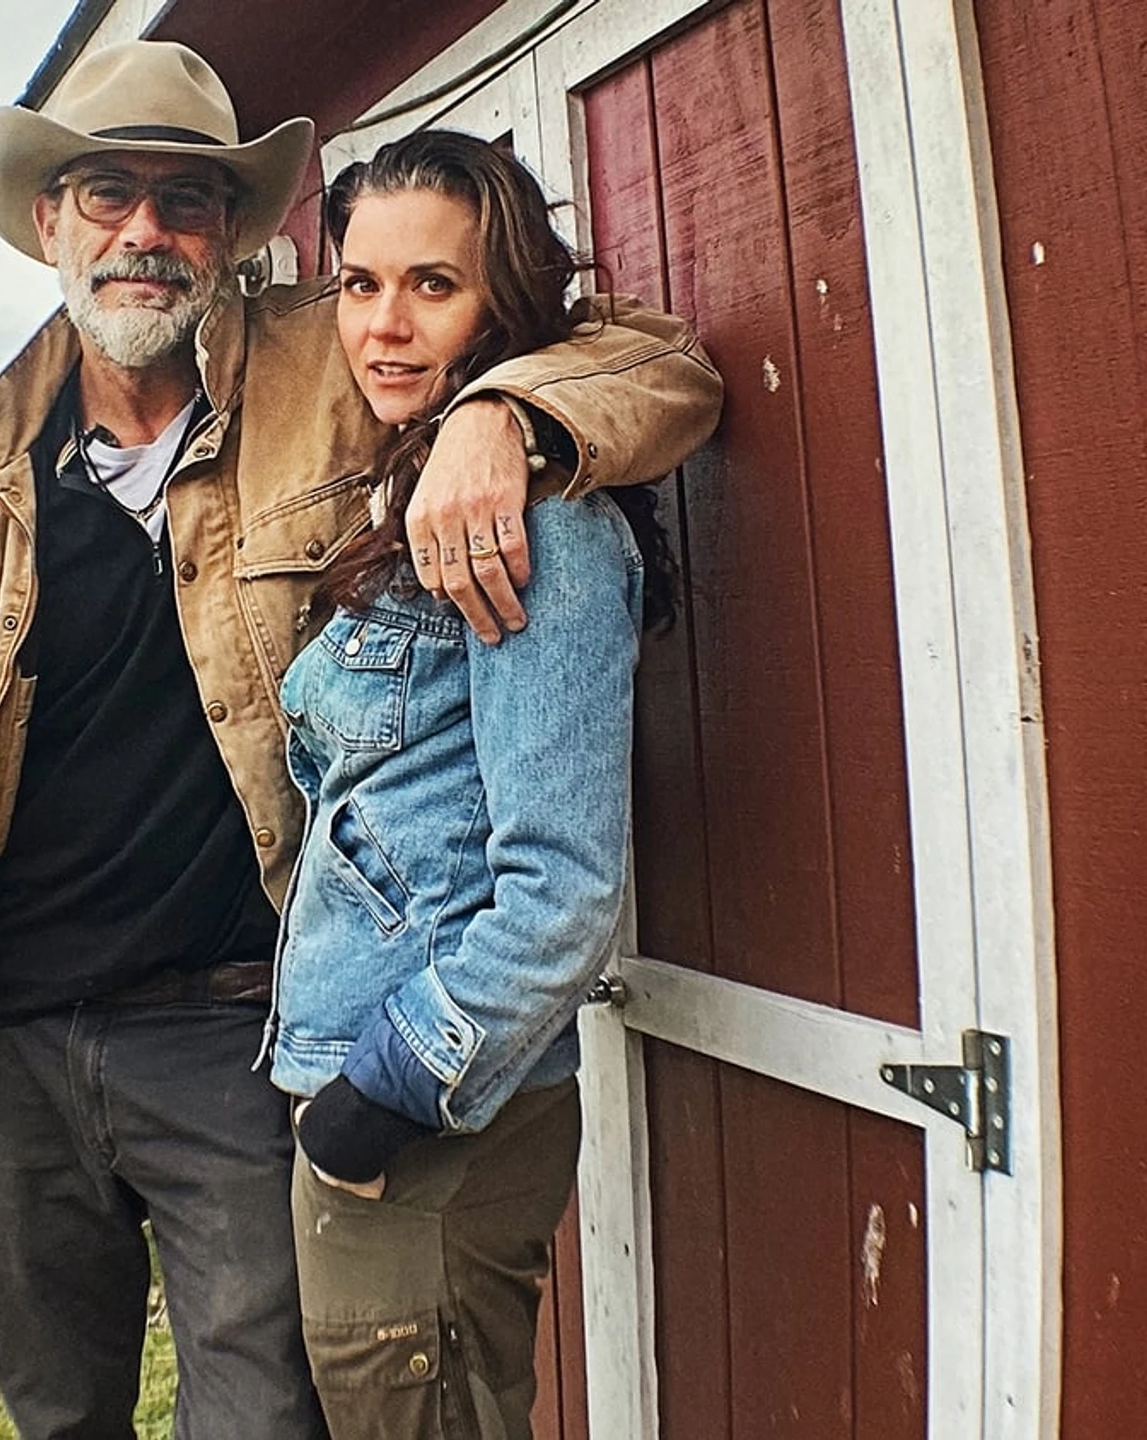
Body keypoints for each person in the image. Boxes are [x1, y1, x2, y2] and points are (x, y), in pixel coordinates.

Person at [0, 41, 720, 1440]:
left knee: (267, 1413)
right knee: (57, 1410)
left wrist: (508, 416)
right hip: (19, 1042)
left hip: (226, 1022)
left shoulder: (331, 360)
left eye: (185, 200)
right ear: (48, 224)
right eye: (106, 193)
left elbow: (663, 366)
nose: (145, 231)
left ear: (230, 233)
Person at [270, 129, 683, 1440]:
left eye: (430, 286)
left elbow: (560, 893)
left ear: (501, 294)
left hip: (426, 1131)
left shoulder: (535, 525)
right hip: (378, 1105)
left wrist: (373, 1105)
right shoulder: (415, 483)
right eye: (359, 284)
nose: (384, 326)